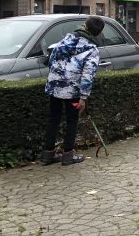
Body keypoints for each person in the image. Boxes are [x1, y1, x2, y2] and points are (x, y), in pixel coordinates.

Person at [42, 15, 105, 166]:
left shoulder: (67, 39)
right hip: (72, 91)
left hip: (55, 86)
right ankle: (68, 155)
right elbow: (88, 75)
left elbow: (51, 58)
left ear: (85, 26)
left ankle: (48, 154)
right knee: (72, 121)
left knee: (53, 119)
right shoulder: (92, 49)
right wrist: (83, 97)